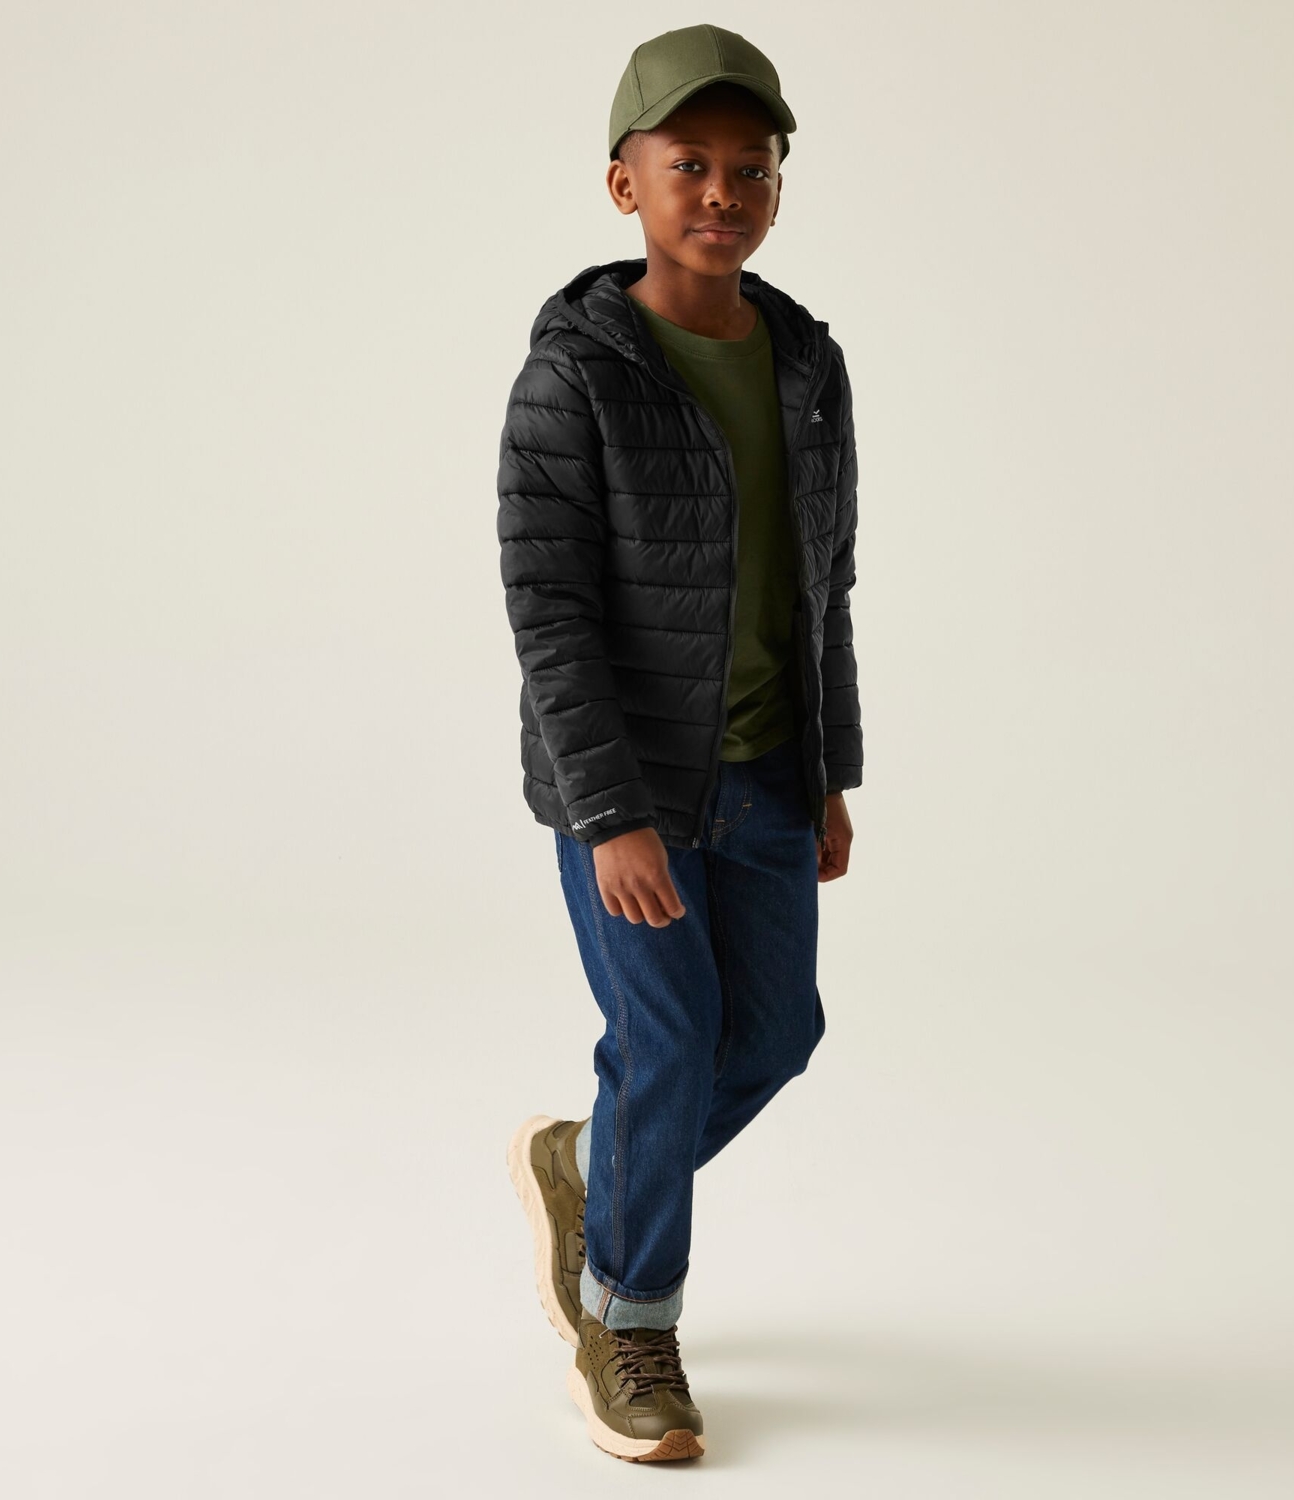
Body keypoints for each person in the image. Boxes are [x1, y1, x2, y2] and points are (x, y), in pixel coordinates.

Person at [496, 23, 864, 1464]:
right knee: (667, 1041)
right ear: (624, 184)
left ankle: (587, 1166)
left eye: (750, 167)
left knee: (773, 1035)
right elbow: (549, 609)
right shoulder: (576, 376)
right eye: (688, 164)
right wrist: (610, 815)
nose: (722, 191)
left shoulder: (808, 362)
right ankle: (628, 1322)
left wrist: (830, 773)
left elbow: (825, 582)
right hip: (633, 786)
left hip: (770, 773)